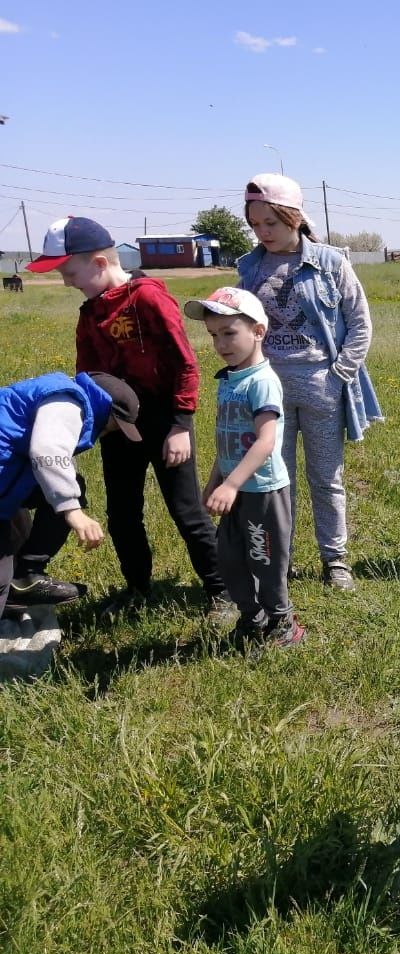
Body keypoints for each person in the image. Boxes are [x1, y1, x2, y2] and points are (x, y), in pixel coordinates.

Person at [26, 216, 231, 619]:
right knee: (122, 514)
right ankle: (137, 588)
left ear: (100, 263)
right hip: (117, 426)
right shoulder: (90, 313)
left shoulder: (148, 299)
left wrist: (181, 425)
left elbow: (184, 363)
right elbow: (87, 378)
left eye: (70, 271)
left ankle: (221, 590)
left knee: (187, 512)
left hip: (164, 422)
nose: (67, 282)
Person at [237, 173, 382, 591]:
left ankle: (334, 560)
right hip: (267, 393)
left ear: (295, 218)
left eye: (272, 224)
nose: (263, 233)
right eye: (256, 225)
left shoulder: (332, 263)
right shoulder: (247, 268)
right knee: (273, 480)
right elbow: (239, 328)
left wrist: (338, 375)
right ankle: (278, 560)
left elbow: (359, 323)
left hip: (321, 387)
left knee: (326, 478)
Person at [185, 288, 303, 648]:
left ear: (258, 332)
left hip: (261, 492)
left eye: (229, 333)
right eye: (214, 335)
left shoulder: (262, 381)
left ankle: (283, 623)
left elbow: (265, 442)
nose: (221, 343)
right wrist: (215, 481)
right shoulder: (229, 379)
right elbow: (228, 441)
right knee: (230, 560)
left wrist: (232, 484)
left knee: (265, 562)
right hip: (234, 488)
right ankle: (253, 619)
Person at [0, 371, 143, 614]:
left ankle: (23, 579)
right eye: (112, 427)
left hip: (7, 482)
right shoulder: (69, 402)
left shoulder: (60, 392)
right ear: (105, 408)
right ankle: (21, 580)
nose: (106, 434)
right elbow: (46, 451)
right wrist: (72, 510)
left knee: (14, 545)